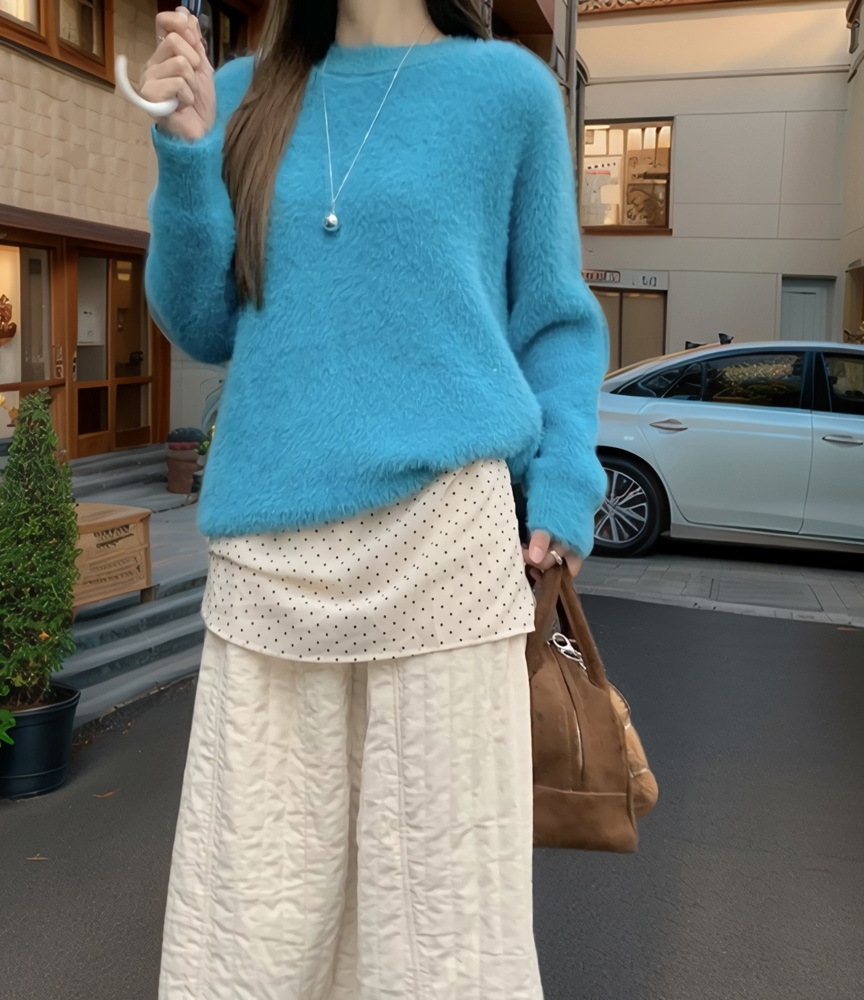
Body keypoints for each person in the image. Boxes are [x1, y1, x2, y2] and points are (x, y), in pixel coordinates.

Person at [142, 0, 608, 996]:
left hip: (445, 543)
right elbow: (204, 323)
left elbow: (554, 318)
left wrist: (565, 479)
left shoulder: (509, 92)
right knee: (252, 907)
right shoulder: (241, 94)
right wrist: (186, 155)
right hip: (269, 557)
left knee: (443, 917)